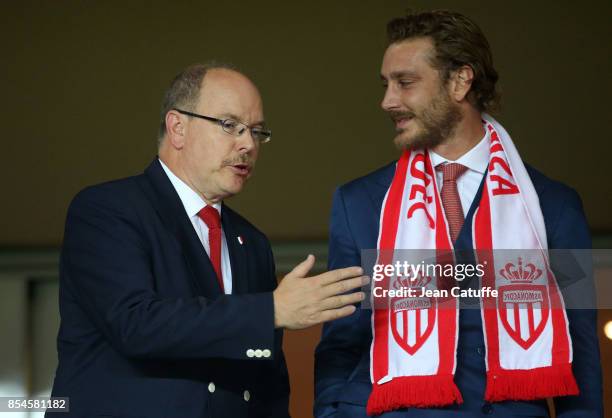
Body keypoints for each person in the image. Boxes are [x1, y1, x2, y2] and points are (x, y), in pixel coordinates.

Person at [314, 10, 602, 418]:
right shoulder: (357, 202)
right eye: (386, 84)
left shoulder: (552, 205)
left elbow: (581, 348)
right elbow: (342, 342)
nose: (387, 101)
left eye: (405, 83)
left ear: (460, 81)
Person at [46, 63, 367, 418]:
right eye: (230, 126)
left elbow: (265, 377)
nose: (248, 144)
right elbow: (135, 324)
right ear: (178, 128)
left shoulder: (252, 242)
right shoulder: (108, 209)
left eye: (257, 132)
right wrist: (271, 310)